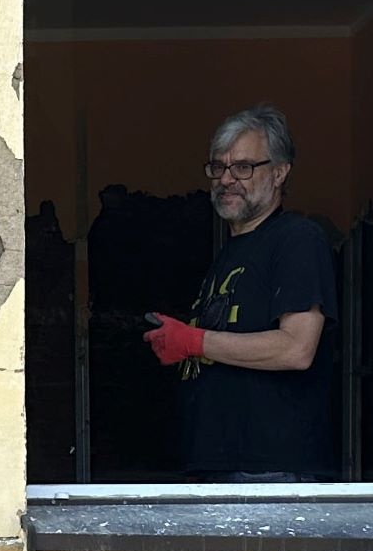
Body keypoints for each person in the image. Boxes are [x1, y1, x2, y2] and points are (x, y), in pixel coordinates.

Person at [142, 106, 342, 481]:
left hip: (271, 475)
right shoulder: (230, 252)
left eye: (244, 167)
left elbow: (296, 348)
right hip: (224, 470)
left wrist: (194, 340)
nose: (227, 179)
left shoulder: (297, 240)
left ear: (280, 173)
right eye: (219, 168)